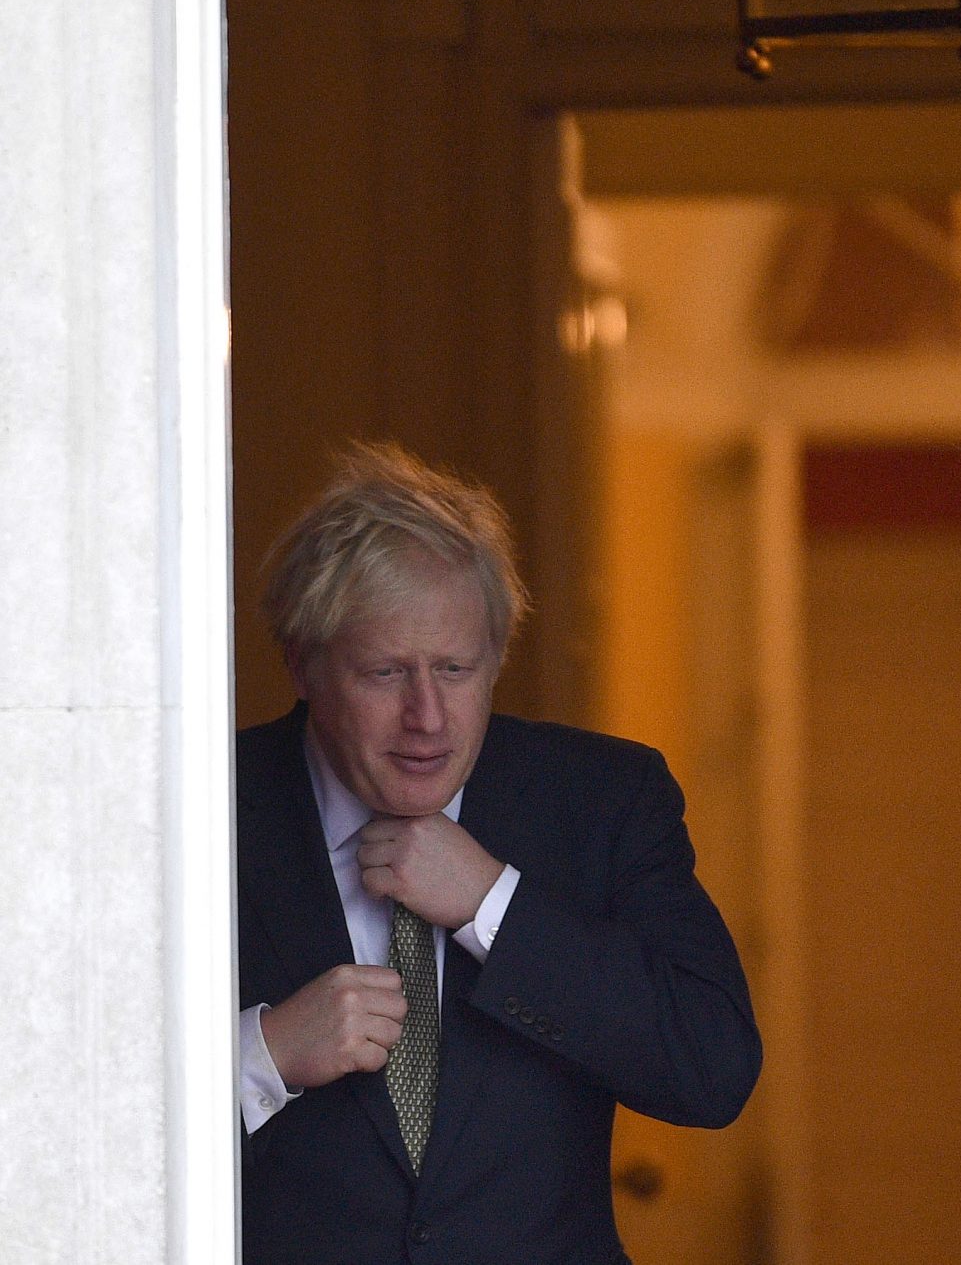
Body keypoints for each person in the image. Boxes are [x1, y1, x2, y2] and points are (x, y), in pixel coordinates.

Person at [235, 442, 760, 1265]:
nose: (428, 715)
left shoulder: (600, 800)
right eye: (385, 673)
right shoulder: (205, 812)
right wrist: (260, 1055)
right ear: (303, 664)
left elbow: (712, 1064)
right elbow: (69, 1120)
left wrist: (495, 903)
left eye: (455, 668)